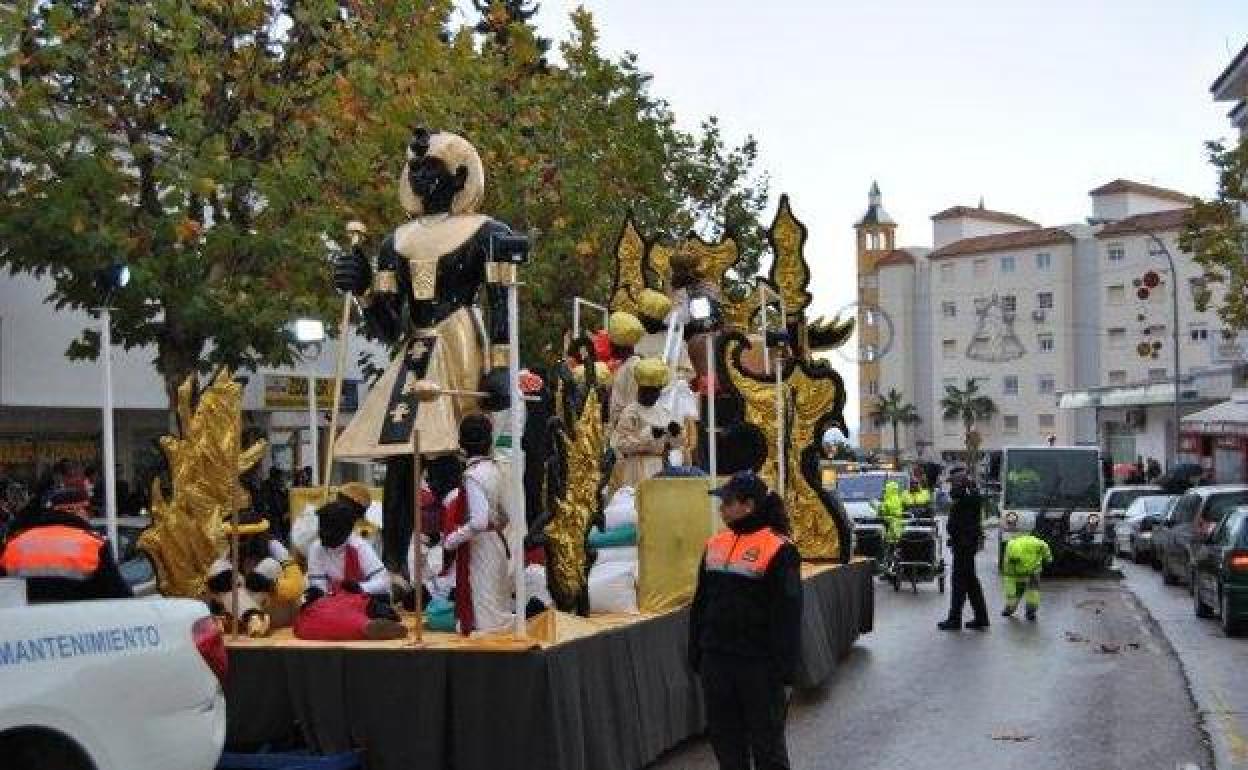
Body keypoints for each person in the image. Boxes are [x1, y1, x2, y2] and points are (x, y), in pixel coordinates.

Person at [689, 471, 802, 770]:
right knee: (726, 744)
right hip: (717, 661)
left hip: (759, 666)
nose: (721, 508)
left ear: (748, 505)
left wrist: (785, 673)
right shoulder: (714, 544)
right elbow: (700, 604)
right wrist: (697, 654)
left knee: (767, 749)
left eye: (727, 502)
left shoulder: (780, 548)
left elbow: (788, 616)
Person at [441, 413, 514, 635]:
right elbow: (505, 515)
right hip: (497, 543)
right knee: (496, 604)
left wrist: (451, 541)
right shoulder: (496, 469)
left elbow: (479, 522)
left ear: (462, 444)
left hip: (481, 547)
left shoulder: (473, 475)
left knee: (486, 616)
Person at [0, 487, 132, 601]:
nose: (88, 515)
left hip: (22, 625)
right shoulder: (93, 543)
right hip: (78, 624)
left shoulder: (15, 542)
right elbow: (120, 595)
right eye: (87, 510)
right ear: (76, 510)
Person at [938, 476, 990, 631]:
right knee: (971, 583)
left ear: (962, 488)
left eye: (954, 486)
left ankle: (955, 619)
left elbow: (963, 526)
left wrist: (957, 537)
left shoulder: (965, 504)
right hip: (964, 545)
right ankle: (981, 617)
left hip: (964, 547)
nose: (951, 490)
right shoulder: (967, 502)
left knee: (959, 583)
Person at [1001, 533, 1053, 621]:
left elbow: (1013, 559)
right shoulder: (1038, 543)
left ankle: (1011, 609)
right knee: (1031, 591)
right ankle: (1029, 612)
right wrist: (1048, 559)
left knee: (1018, 592)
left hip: (1022, 573)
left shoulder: (1013, 545)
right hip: (1031, 572)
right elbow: (1046, 552)